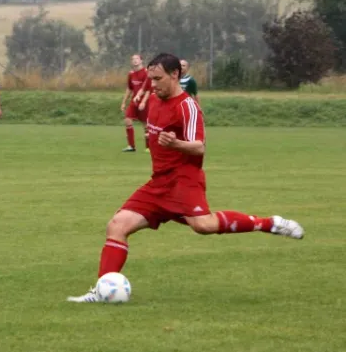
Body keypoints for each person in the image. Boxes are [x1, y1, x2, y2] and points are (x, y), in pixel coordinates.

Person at [67, 53, 304, 303]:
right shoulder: (155, 101)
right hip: (159, 182)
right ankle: (102, 291)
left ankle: (270, 223)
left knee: (204, 226)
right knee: (116, 226)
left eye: (158, 79)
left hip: (184, 181)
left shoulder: (187, 106)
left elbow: (199, 147)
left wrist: (177, 143)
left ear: (175, 75)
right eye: (150, 79)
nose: (153, 84)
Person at [120, 54, 152, 152]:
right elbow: (129, 88)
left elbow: (148, 90)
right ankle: (131, 146)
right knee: (127, 120)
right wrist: (124, 102)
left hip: (145, 102)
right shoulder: (131, 74)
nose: (135, 61)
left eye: (137, 59)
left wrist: (143, 101)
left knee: (146, 125)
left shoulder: (147, 73)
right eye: (133, 59)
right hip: (134, 101)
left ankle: (149, 147)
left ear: (141, 61)